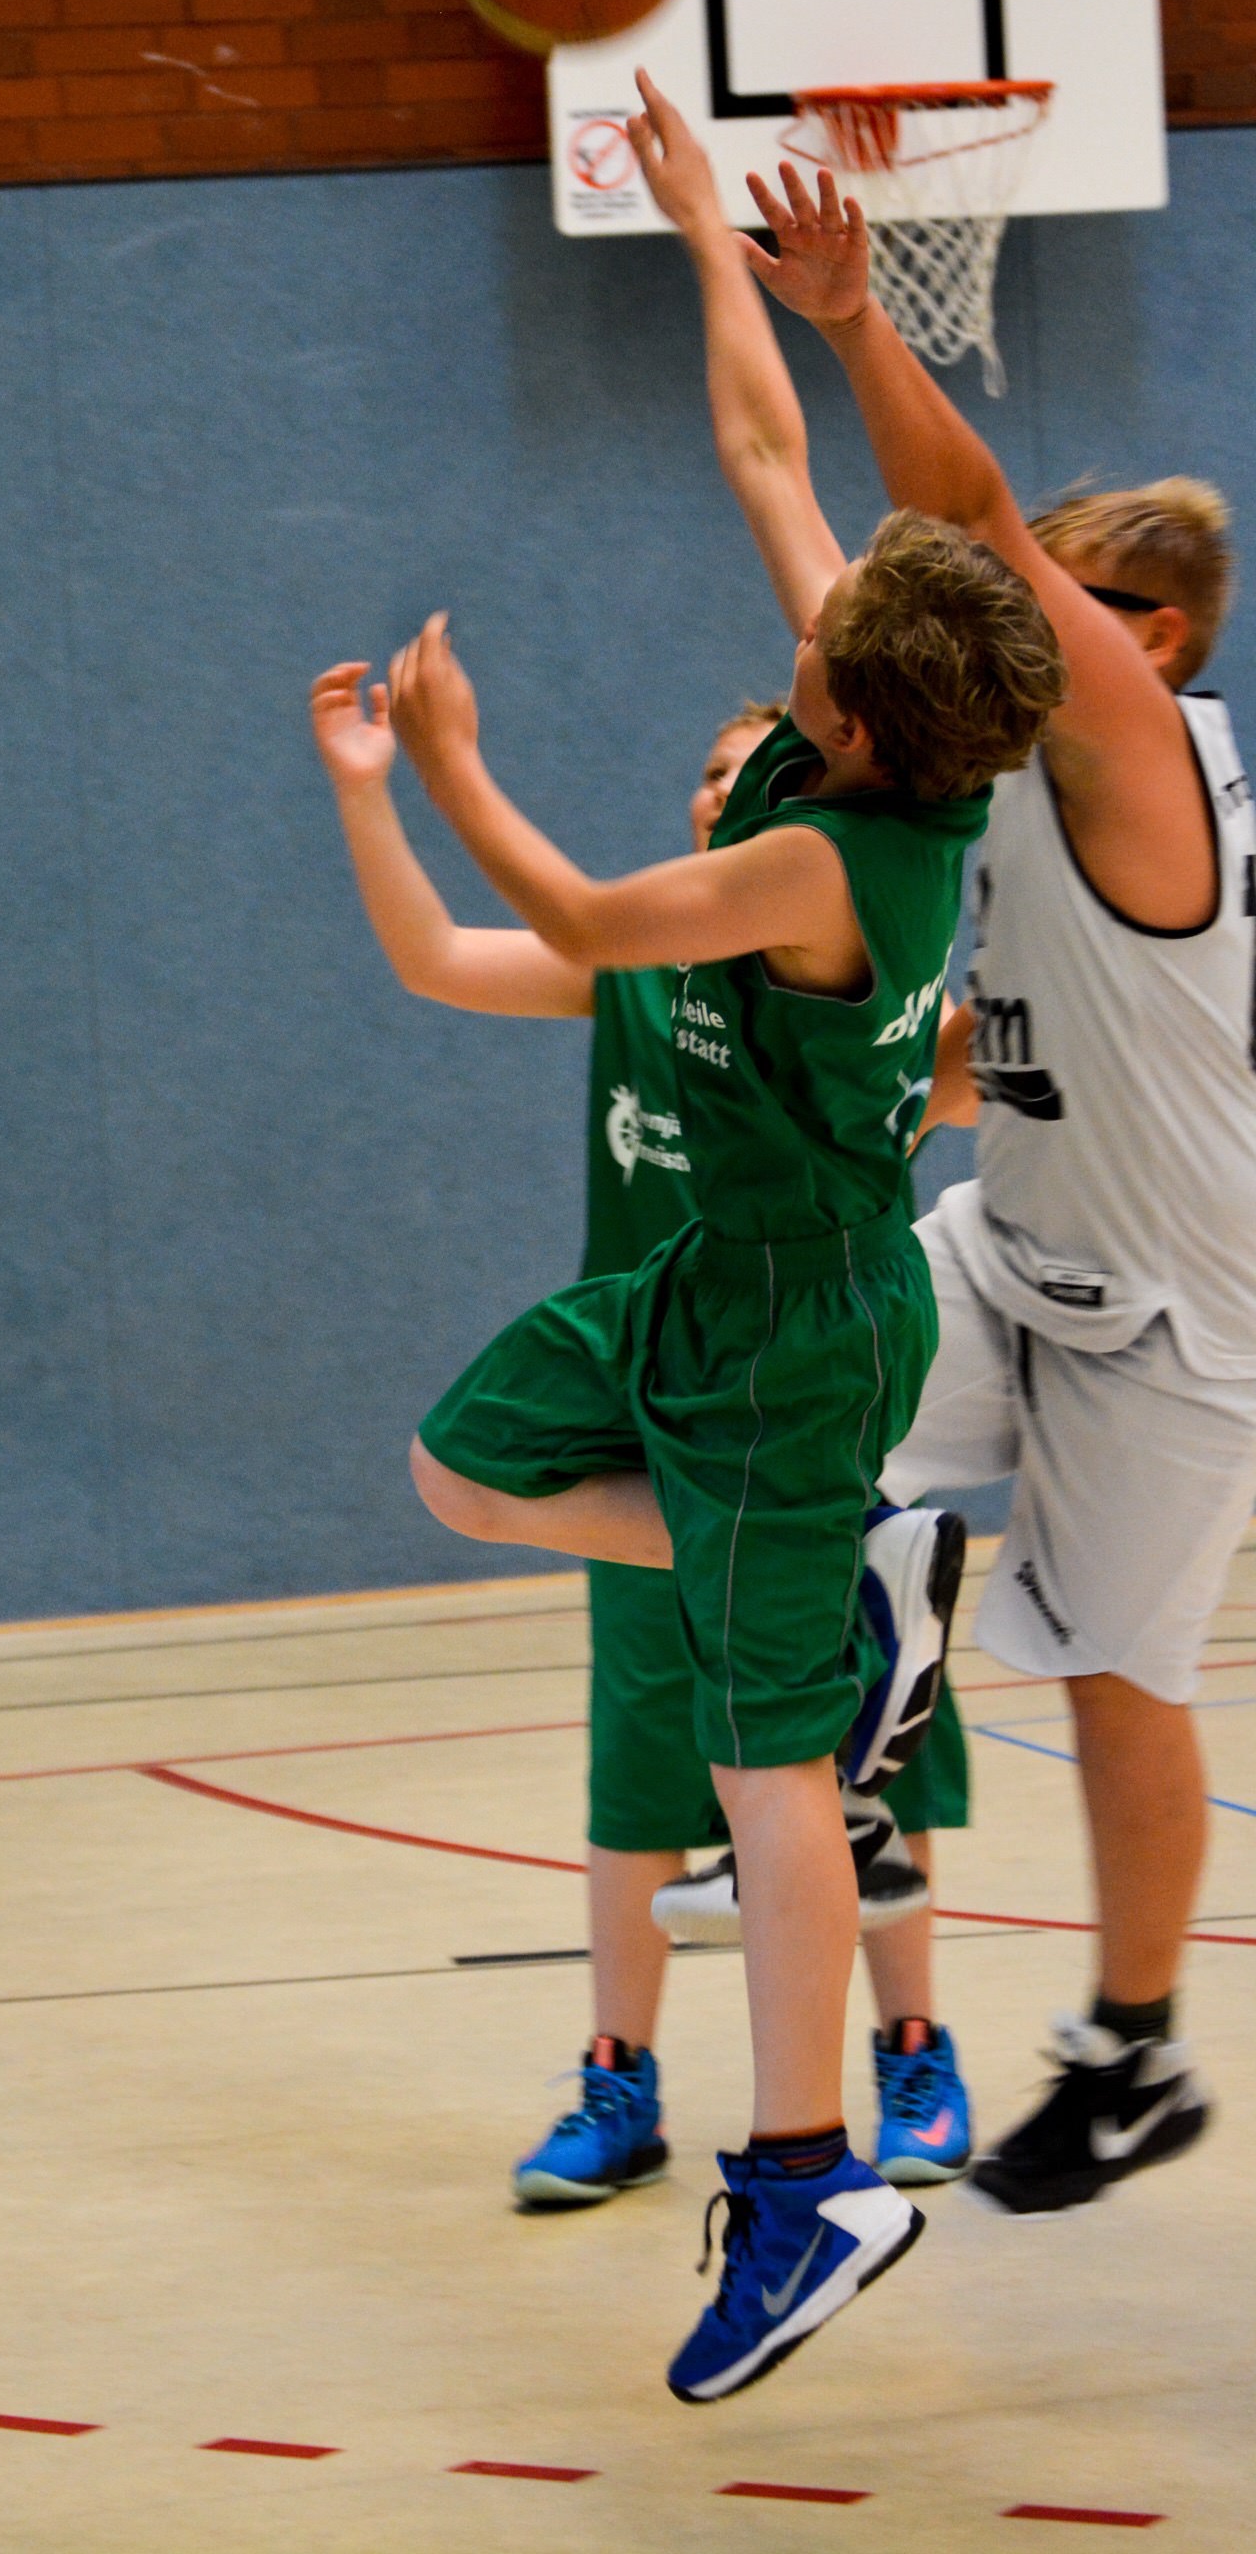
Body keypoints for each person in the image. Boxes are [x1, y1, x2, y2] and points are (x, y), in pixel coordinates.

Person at [316, 72, 1066, 2404]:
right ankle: (850, 1583)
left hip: (792, 1328)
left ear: (848, 708)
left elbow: (560, 911)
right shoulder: (876, 748)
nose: (805, 607)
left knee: (771, 1789)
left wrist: (444, 754)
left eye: (828, 627)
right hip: (694, 1294)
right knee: (462, 1465)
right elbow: (760, 449)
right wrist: (701, 233)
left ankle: (809, 2169)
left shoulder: (825, 864)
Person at [743, 154, 1255, 2214]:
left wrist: (858, 318)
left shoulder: (1146, 753)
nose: (1016, 612)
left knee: (1127, 1683)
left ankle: (1131, 2052)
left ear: (1153, 636)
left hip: (1177, 1311)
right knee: (786, 1395)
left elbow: (949, 521)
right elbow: (813, 529)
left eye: (1060, 590)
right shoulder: (1007, 760)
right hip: (1016, 1240)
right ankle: (844, 1743)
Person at [308, 673, 974, 2209]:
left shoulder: (840, 951)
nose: (725, 789)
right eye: (711, 771)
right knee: (642, 1758)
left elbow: (954, 1076)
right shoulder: (642, 974)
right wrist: (365, 784)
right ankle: (621, 2079)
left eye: (755, 767)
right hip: (646, 1419)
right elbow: (434, 956)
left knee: (853, 1771)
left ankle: (910, 2053)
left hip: (792, 1384)